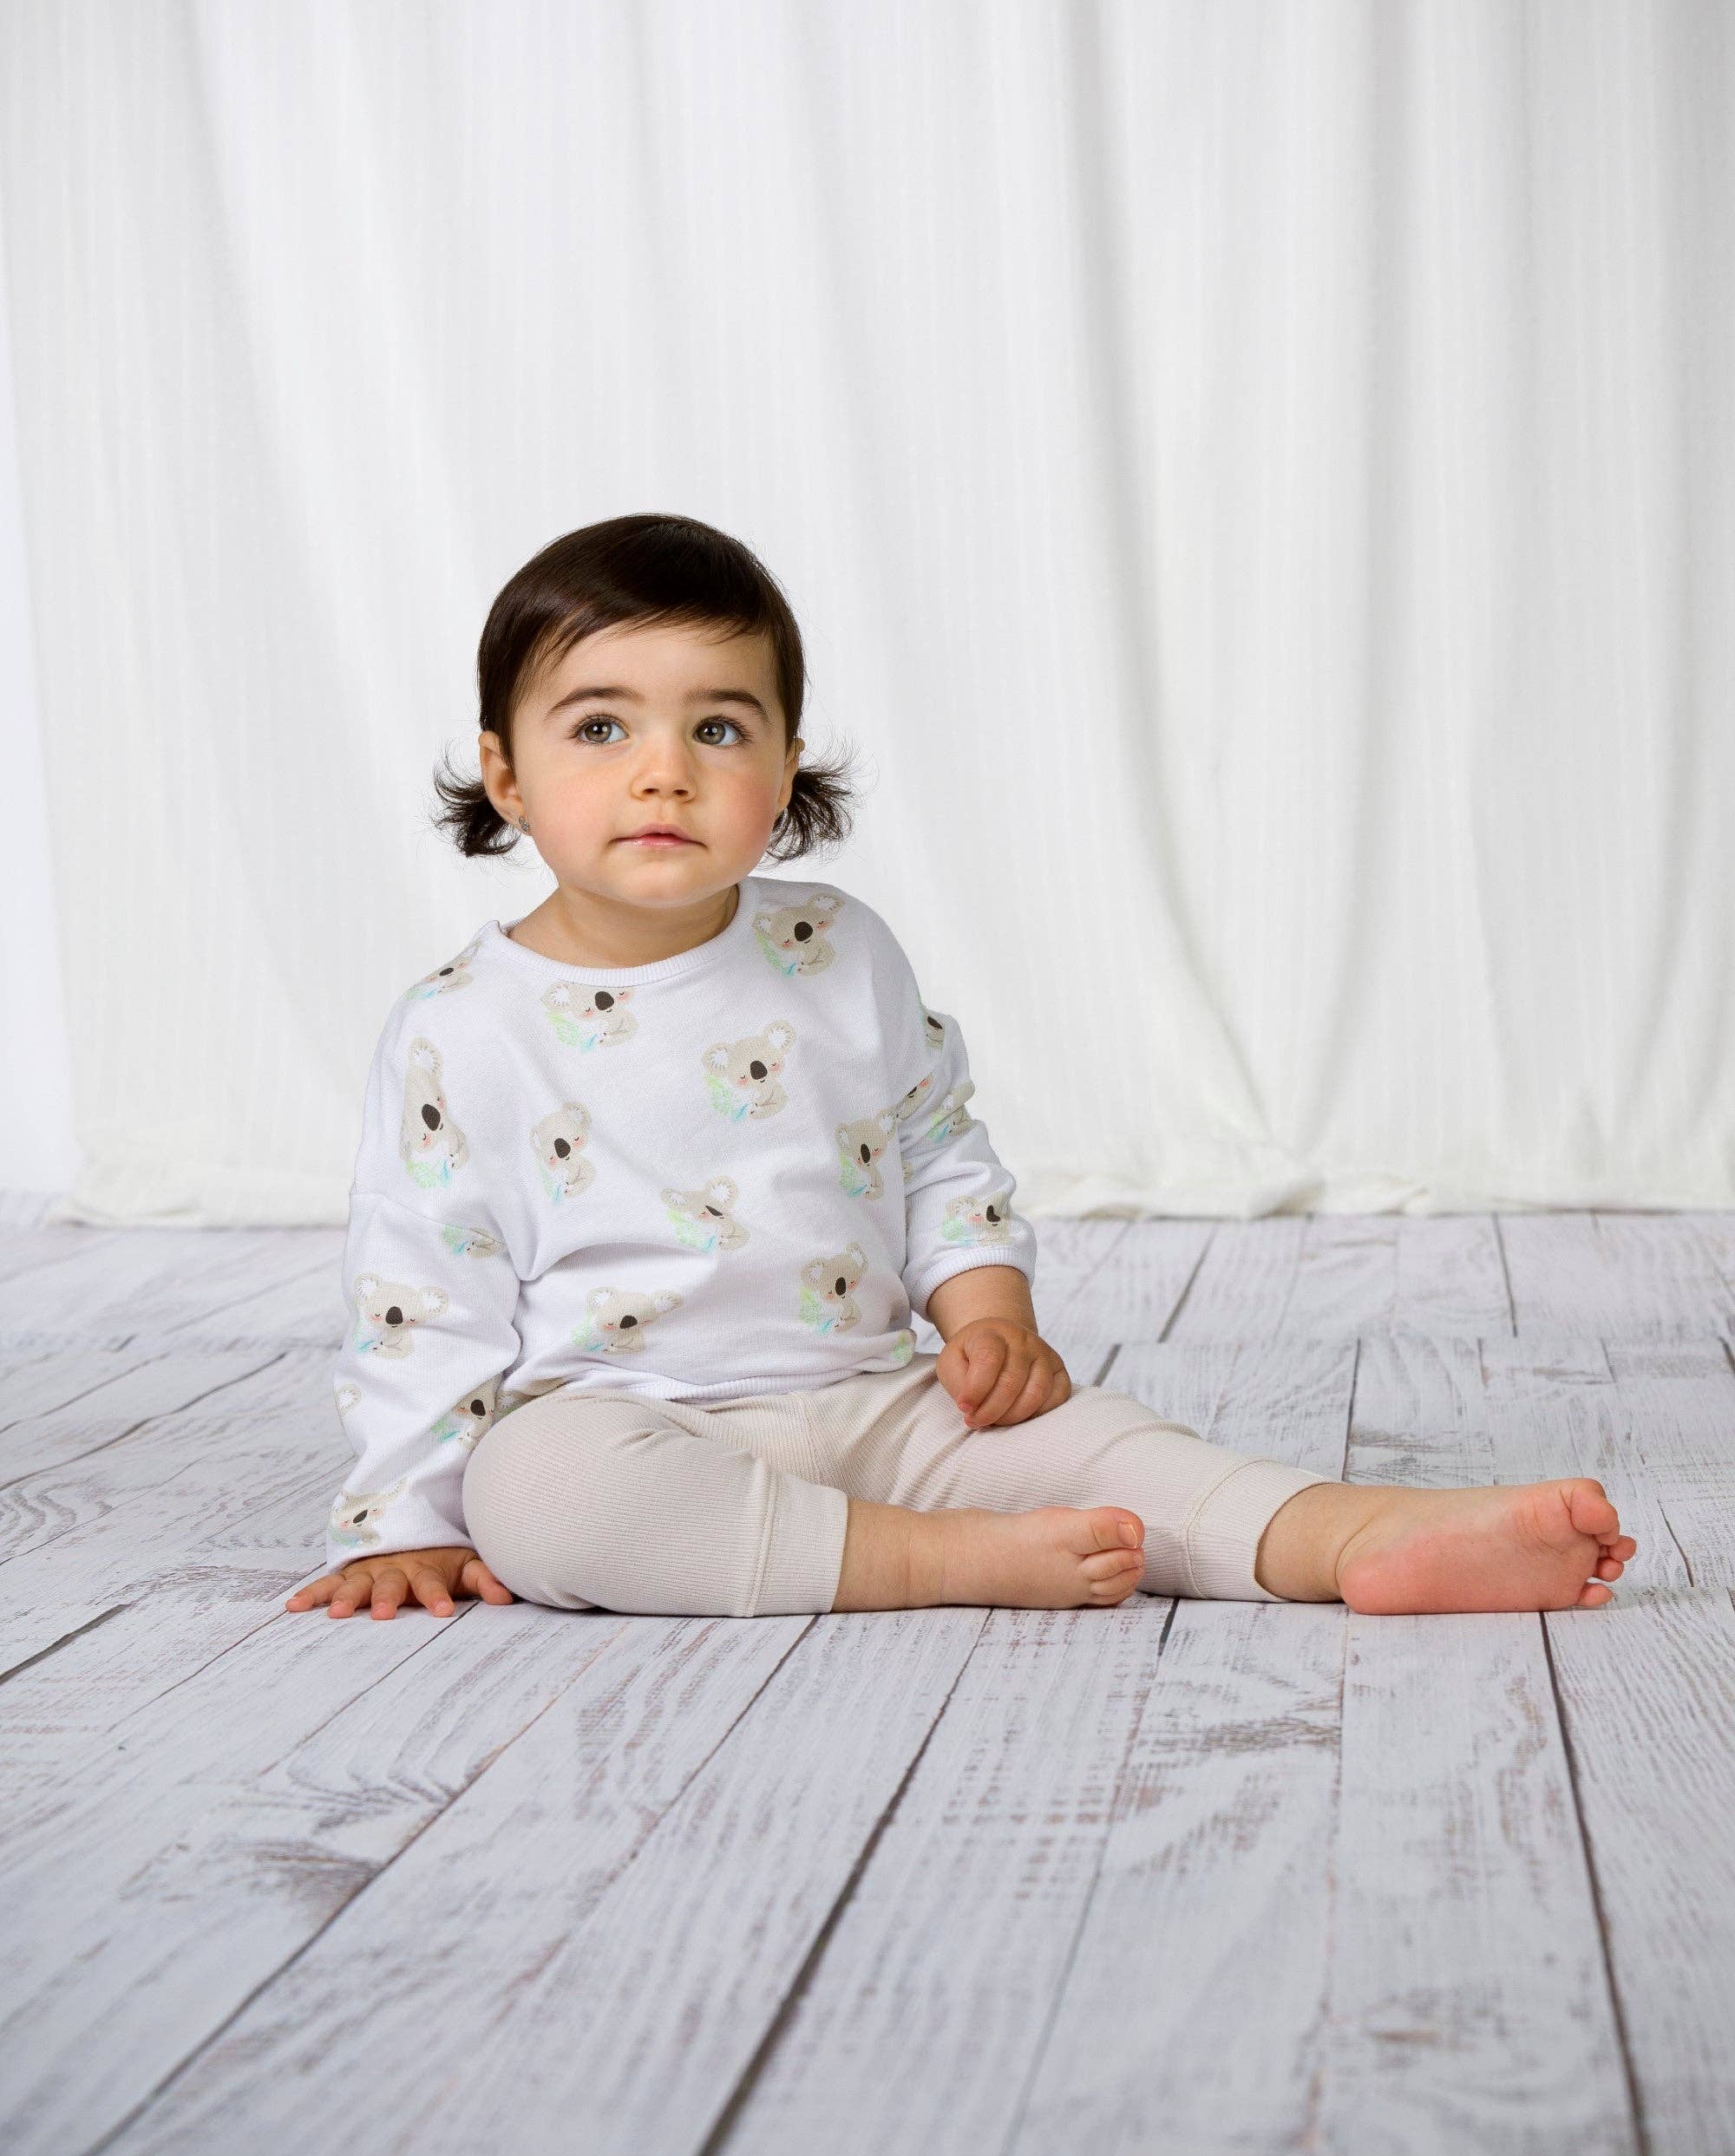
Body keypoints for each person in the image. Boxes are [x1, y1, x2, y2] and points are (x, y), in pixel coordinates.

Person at [285, 514, 1635, 1628]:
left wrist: (990, 1314)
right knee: (538, 1495)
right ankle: (933, 1562)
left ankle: (1355, 1535)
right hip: (633, 1425)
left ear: (786, 766)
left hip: (882, 1403)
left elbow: (935, 1148)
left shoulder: (836, 949)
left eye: (719, 729)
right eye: (599, 729)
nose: (663, 774)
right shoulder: (463, 1028)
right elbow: (422, 1290)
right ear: (506, 773)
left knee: (1107, 1448)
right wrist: (405, 1521)